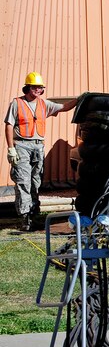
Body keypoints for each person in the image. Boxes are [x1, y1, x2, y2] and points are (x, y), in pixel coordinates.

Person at [4, 73, 77, 231]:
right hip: (21, 146)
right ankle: (25, 218)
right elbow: (9, 125)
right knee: (23, 181)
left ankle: (34, 214)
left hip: (38, 147)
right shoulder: (17, 103)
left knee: (36, 181)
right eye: (35, 87)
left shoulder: (44, 104)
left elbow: (64, 107)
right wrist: (11, 149)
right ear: (28, 87)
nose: (38, 90)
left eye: (40, 87)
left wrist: (80, 99)